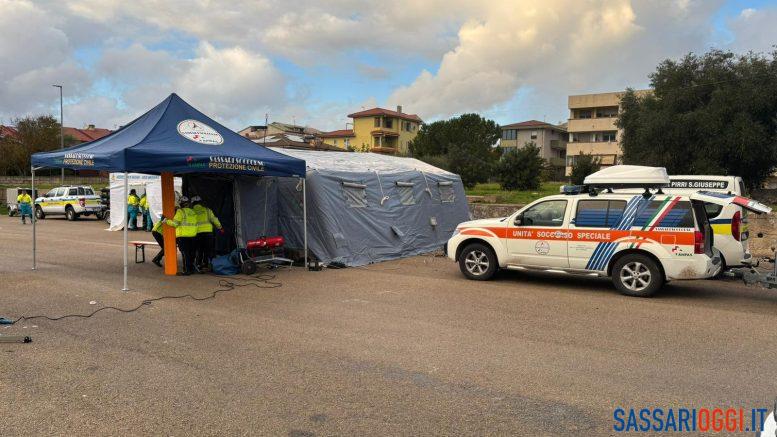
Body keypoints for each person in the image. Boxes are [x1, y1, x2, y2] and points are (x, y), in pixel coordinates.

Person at [165, 196, 198, 275]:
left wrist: (166, 221)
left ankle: (187, 271)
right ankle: (191, 269)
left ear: (181, 204)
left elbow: (175, 224)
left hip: (183, 236)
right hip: (193, 235)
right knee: (191, 253)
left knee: (185, 253)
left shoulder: (180, 212)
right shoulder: (193, 212)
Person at [191, 196, 224, 272]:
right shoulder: (207, 210)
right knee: (208, 249)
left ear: (192, 203)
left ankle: (198, 265)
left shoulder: (191, 212)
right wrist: (220, 228)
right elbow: (214, 219)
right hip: (208, 233)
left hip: (197, 233)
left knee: (199, 250)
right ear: (201, 202)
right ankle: (209, 265)